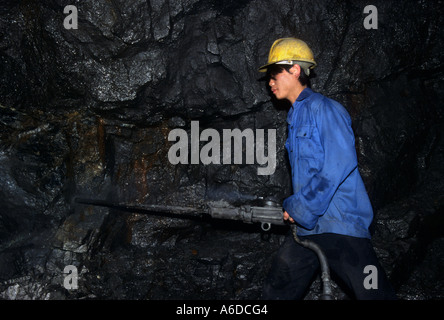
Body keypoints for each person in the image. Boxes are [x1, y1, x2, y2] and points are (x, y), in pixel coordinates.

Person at [258, 38, 397, 300]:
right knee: (275, 292)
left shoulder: (326, 109)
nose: (270, 81)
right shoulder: (295, 117)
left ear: (295, 70)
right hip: (308, 228)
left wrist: (298, 207)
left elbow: (338, 165)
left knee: (375, 295)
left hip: (340, 225)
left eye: (275, 72)